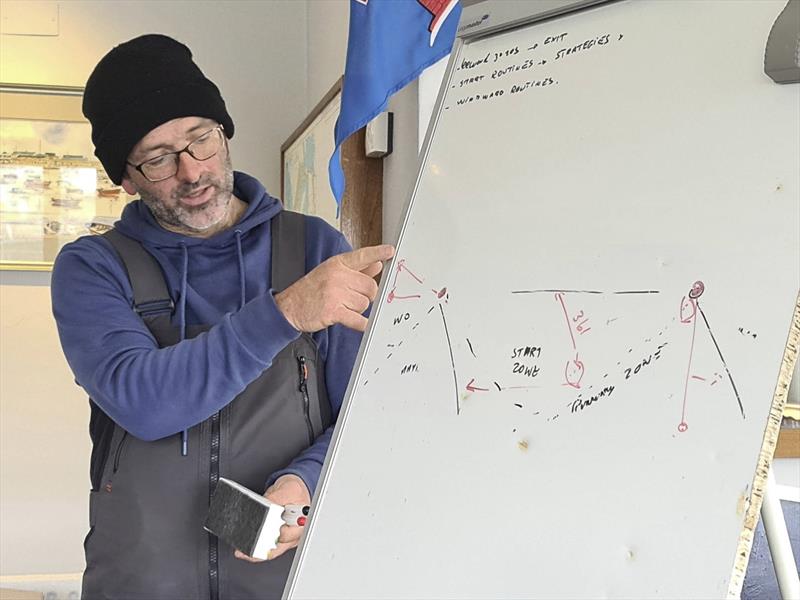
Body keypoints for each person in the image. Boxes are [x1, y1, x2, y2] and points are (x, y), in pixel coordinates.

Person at [51, 33, 394, 600]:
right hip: (139, 582)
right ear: (126, 178)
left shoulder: (313, 250)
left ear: (224, 131)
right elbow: (146, 402)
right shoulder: (93, 267)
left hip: (287, 582)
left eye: (200, 140)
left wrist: (303, 479)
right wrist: (285, 312)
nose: (191, 172)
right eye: (158, 159)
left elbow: (370, 409)